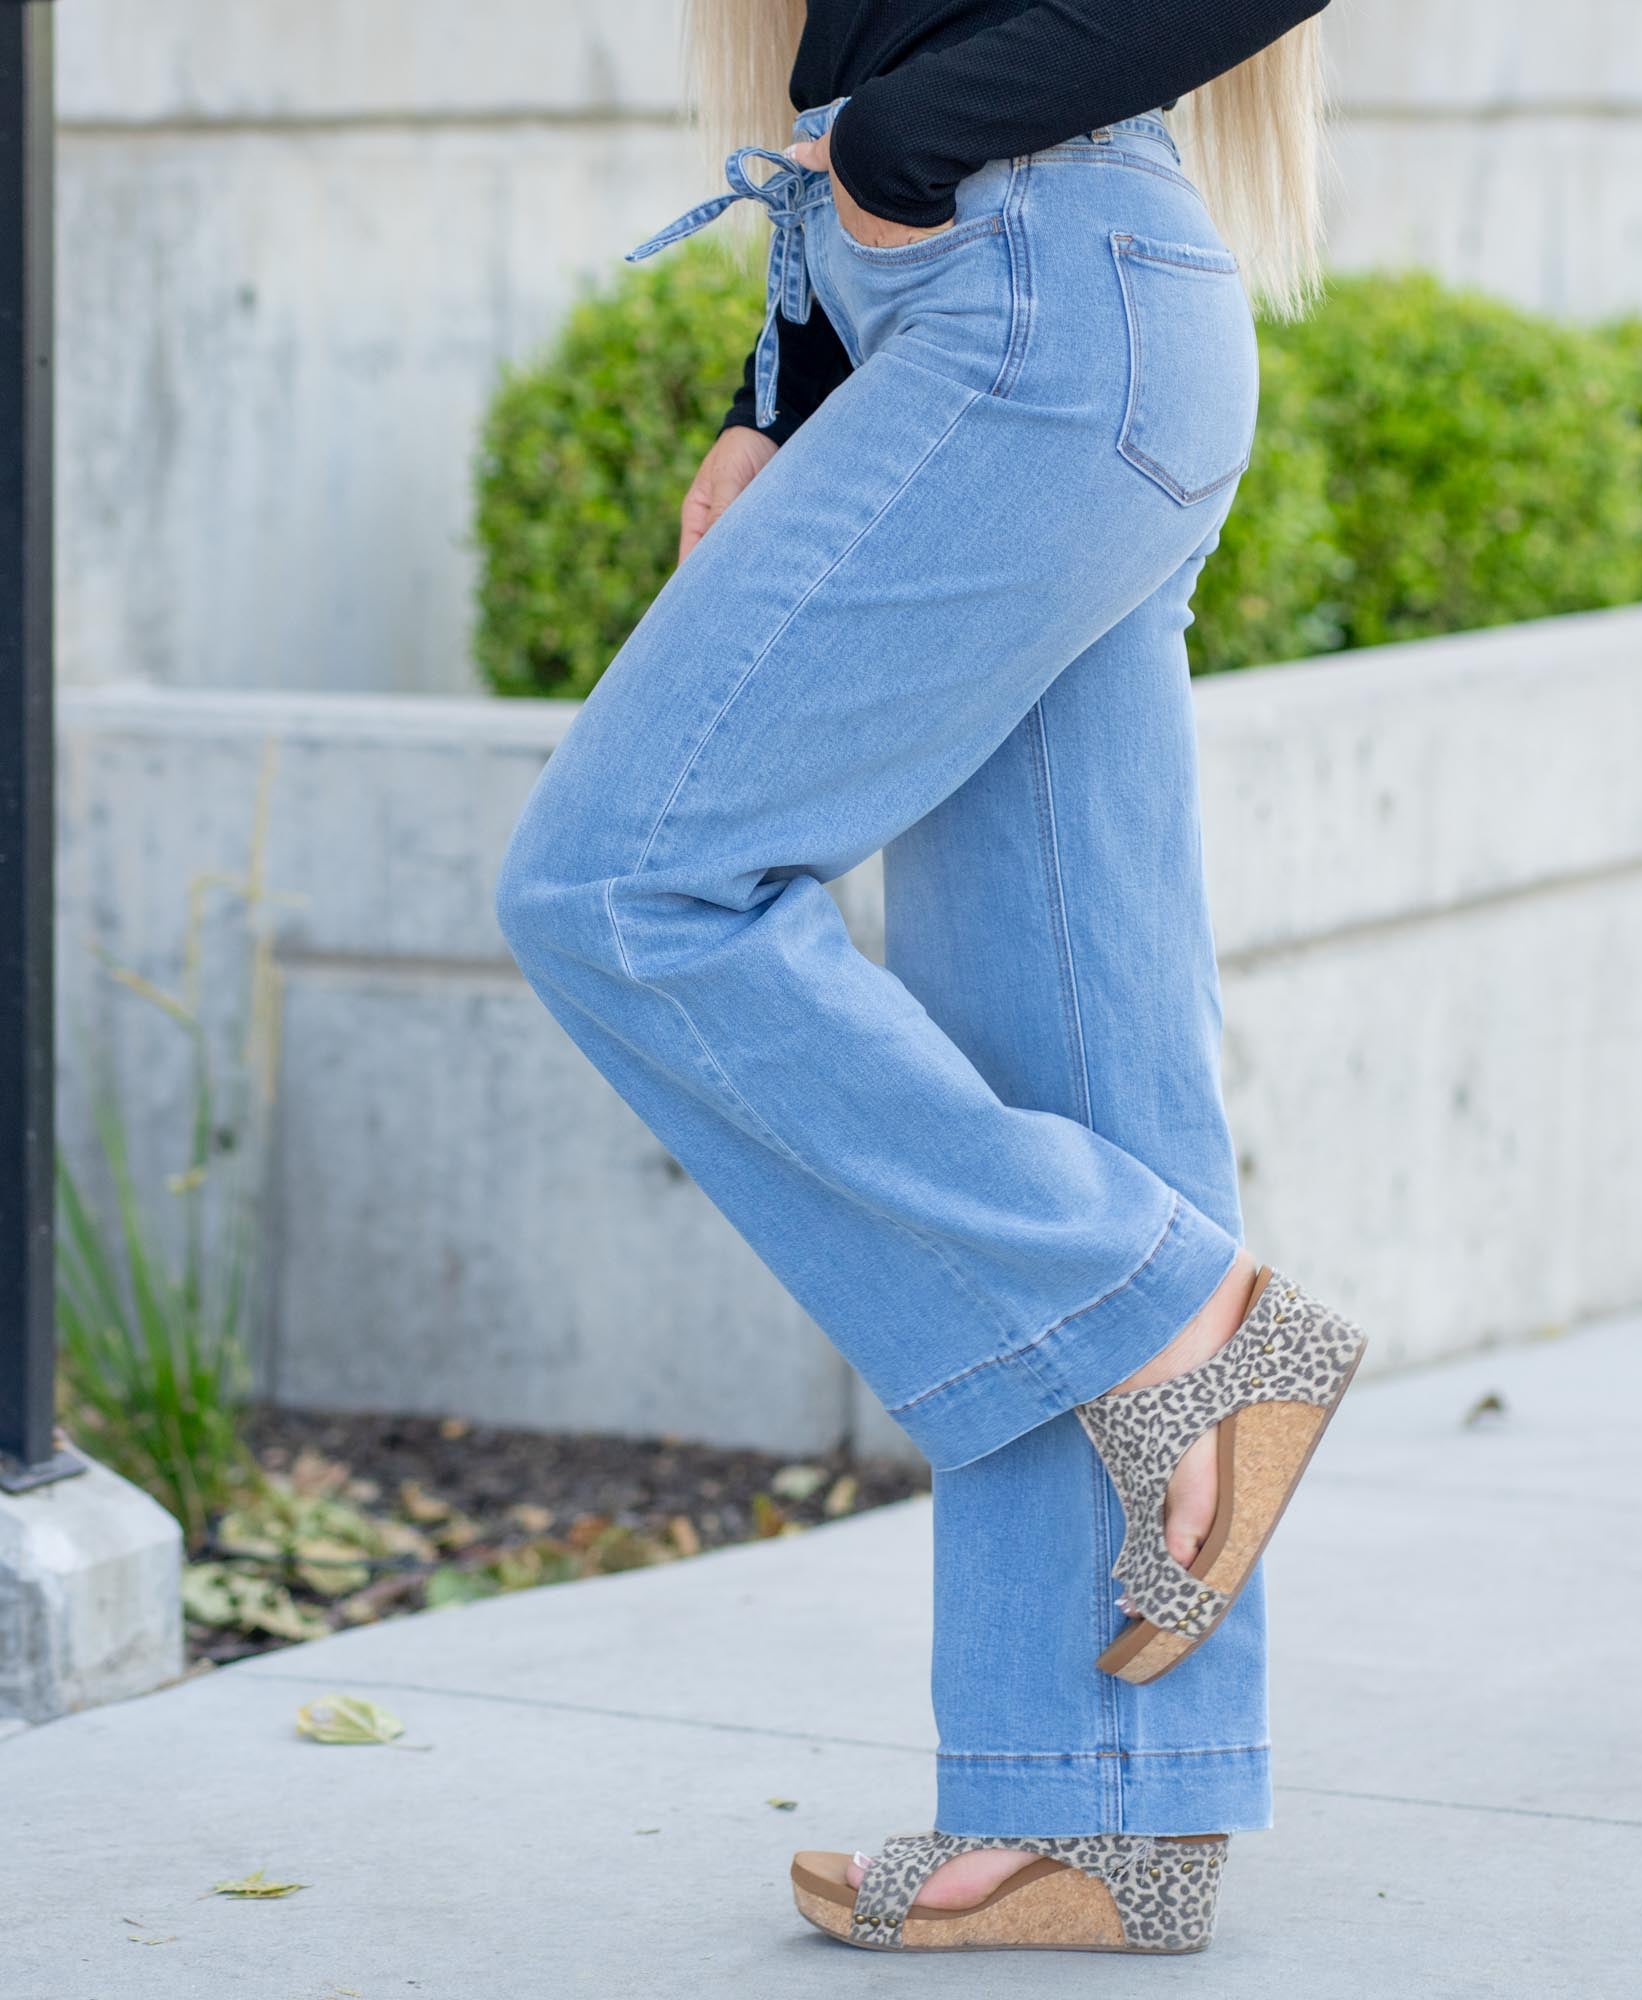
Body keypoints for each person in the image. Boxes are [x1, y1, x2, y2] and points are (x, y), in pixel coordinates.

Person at [495, 0, 1364, 1957]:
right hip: (1007, 304)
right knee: (1074, 1063)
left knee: (622, 885)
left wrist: (900, 149)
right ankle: (1100, 1816)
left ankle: (1163, 1305)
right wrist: (786, 377)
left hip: (1030, 297)